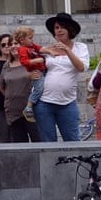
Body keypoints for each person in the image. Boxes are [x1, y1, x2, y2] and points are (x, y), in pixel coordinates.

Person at [34, 13, 90, 142]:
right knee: (48, 141)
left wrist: (67, 50)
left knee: (72, 140)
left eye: (62, 27)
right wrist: (31, 73)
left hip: (67, 103)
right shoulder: (48, 49)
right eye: (56, 28)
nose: (59, 30)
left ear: (70, 29)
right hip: (44, 101)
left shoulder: (80, 47)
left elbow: (81, 67)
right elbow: (34, 65)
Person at [0, 38, 41, 142]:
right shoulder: (6, 66)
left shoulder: (32, 62)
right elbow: (1, 86)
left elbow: (40, 83)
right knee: (20, 146)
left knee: (39, 142)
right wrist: (13, 96)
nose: (12, 46)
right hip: (13, 112)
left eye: (16, 43)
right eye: (11, 44)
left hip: (31, 110)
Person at [13, 26, 47, 122]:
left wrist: (50, 50)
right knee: (38, 89)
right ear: (22, 40)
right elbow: (24, 62)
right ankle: (29, 106)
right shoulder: (23, 49)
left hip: (42, 69)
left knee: (41, 87)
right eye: (30, 38)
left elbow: (40, 48)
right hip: (36, 71)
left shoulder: (32, 47)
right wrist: (36, 60)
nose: (32, 40)